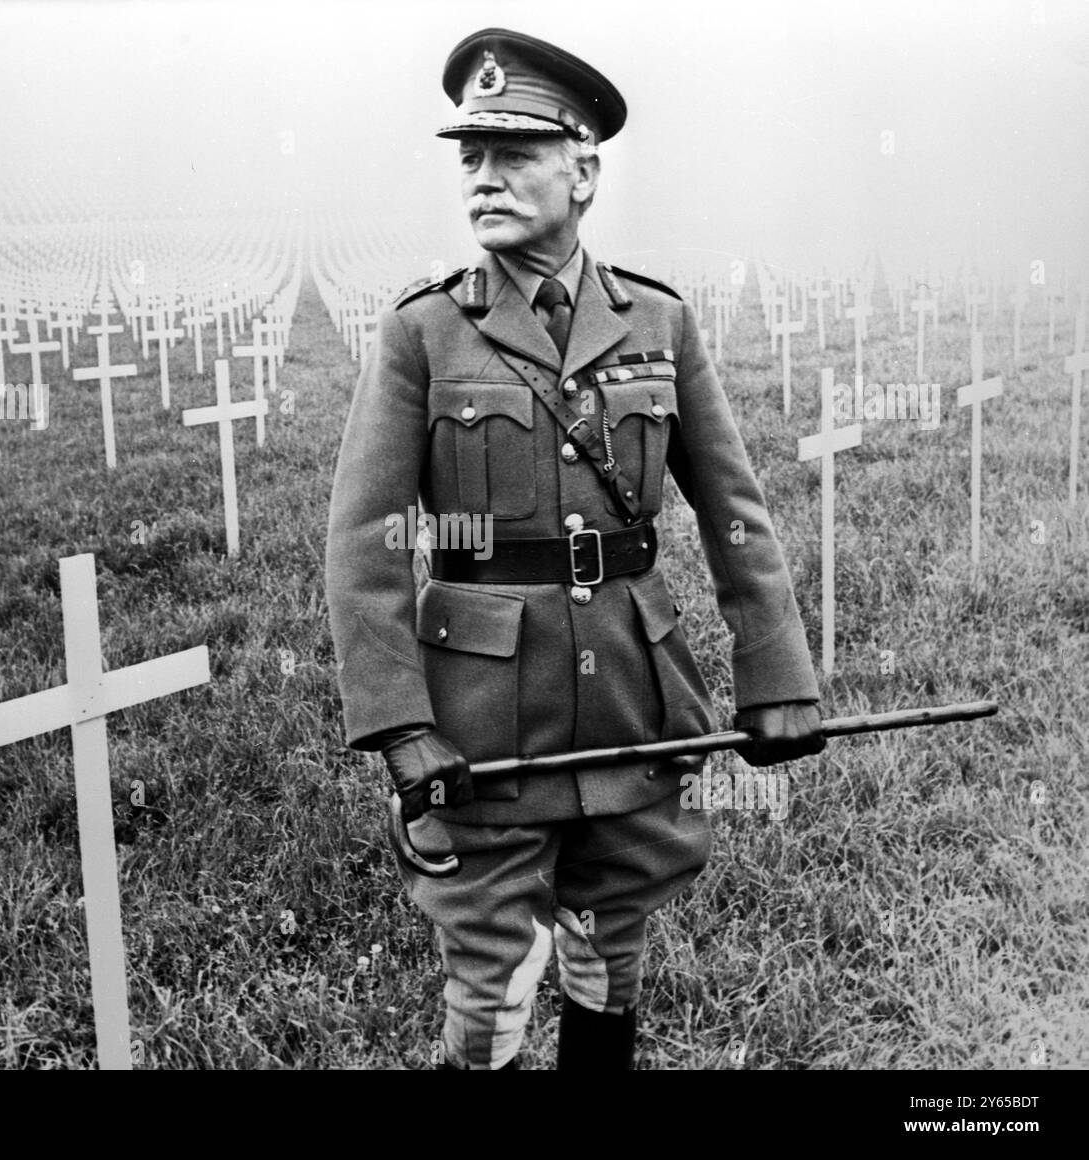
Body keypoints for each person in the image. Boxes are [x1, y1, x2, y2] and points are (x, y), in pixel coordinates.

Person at [324, 27, 825, 1071]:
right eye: (469, 155)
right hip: (481, 713)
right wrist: (397, 718)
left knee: (610, 945)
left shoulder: (658, 321)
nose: (483, 176)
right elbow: (366, 536)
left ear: (582, 169)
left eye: (512, 153)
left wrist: (774, 671)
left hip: (633, 696)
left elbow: (731, 506)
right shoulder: (424, 332)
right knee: (492, 974)